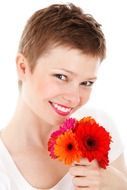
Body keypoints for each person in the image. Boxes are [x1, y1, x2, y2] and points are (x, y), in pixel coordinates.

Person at [0, 3, 126, 190]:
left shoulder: (98, 126)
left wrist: (116, 184)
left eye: (86, 83)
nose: (75, 99)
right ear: (23, 67)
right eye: (61, 77)